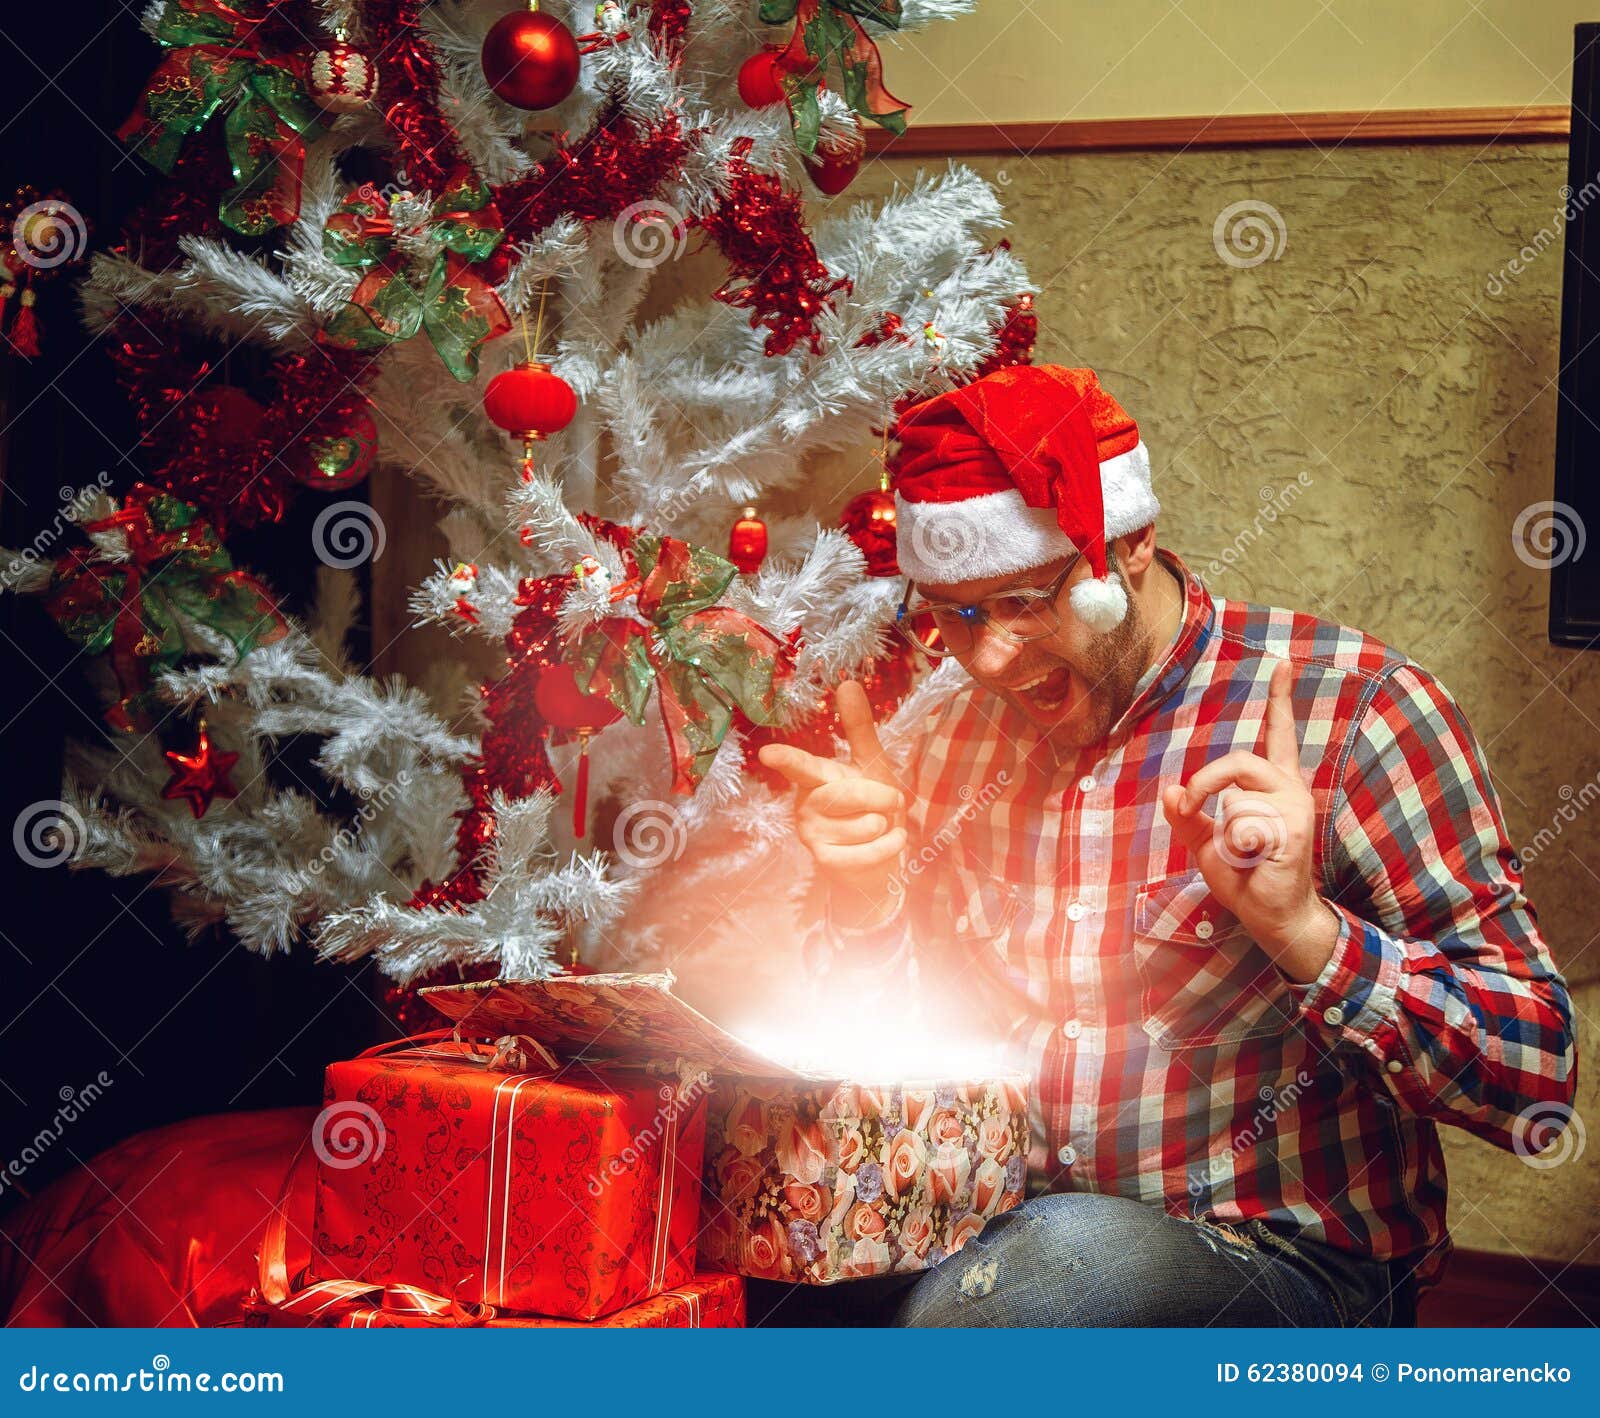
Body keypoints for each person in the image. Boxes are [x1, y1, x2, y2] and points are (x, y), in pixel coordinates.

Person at [755, 364, 1576, 1328]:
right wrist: (863, 904)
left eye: (1024, 601)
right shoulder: (953, 744)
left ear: (1131, 544)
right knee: (784, 1280)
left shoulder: (1356, 711)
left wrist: (1304, 930)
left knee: (1047, 1277)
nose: (988, 659)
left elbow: (1536, 1080)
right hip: (999, 1234)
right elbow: (906, 1068)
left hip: (1278, 1259)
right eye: (955, 614)